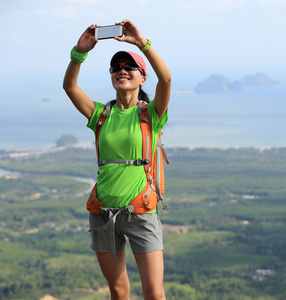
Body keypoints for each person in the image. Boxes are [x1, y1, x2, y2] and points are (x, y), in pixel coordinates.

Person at [63, 19, 171, 300]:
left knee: (154, 293)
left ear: (142, 77)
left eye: (129, 67)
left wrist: (142, 43)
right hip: (102, 212)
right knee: (118, 291)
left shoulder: (150, 115)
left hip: (141, 211)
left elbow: (167, 79)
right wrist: (79, 53)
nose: (121, 70)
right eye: (116, 67)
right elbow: (70, 87)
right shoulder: (100, 115)